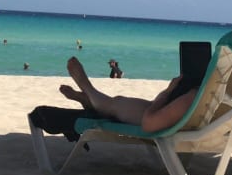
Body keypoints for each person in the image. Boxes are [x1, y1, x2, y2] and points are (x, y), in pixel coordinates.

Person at [58, 57, 195, 134]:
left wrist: (167, 92)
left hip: (165, 118)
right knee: (115, 105)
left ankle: (88, 90)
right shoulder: (203, 93)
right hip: (184, 115)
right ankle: (91, 101)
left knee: (116, 104)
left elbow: (149, 123)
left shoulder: (194, 96)